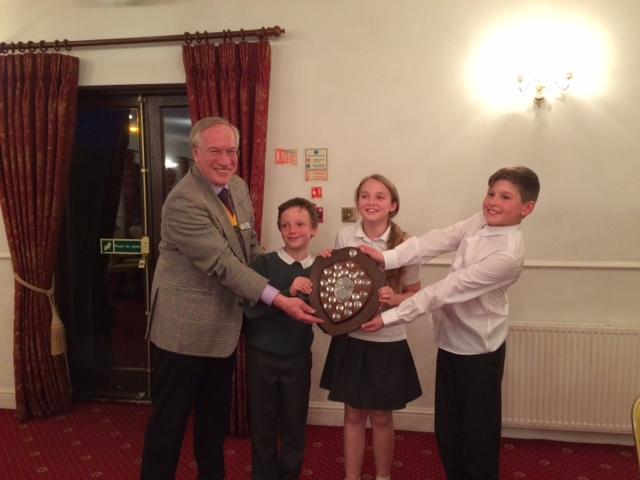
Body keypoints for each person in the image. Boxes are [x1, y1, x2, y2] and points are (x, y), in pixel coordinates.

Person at [140, 117, 321, 480]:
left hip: (222, 328)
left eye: (231, 151)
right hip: (182, 332)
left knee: (213, 423)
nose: (225, 159)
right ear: (195, 153)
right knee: (169, 425)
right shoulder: (183, 203)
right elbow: (223, 264)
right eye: (215, 151)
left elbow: (250, 250)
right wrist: (280, 300)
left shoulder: (236, 187)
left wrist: (296, 271)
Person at [359, 166, 540, 480]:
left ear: (527, 208)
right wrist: (387, 258)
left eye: (505, 197)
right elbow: (439, 239)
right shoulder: (481, 219)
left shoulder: (508, 255)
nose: (492, 202)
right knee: (448, 433)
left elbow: (444, 291)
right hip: (450, 341)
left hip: (479, 352)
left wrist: (387, 318)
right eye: (491, 193)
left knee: (477, 442)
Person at [320, 174, 423, 480]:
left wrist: (396, 298)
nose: (371, 202)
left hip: (388, 340)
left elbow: (417, 295)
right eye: (365, 195)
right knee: (352, 412)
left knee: (380, 416)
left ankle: (382, 477)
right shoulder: (344, 236)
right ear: (357, 202)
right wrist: (325, 266)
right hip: (351, 338)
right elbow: (337, 287)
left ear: (393, 205)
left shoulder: (407, 245)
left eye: (380, 196)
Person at [244, 197, 320, 480]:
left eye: (300, 224)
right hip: (262, 358)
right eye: (285, 225)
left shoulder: (320, 270)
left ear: (314, 229)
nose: (292, 230)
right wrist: (286, 292)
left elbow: (327, 318)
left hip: (298, 359)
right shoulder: (263, 264)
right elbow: (249, 309)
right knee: (262, 427)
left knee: (294, 427)